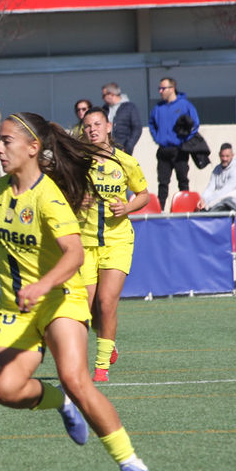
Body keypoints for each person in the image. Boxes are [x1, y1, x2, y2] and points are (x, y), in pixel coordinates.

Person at [0, 111, 149, 471]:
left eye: (6, 140)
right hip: (16, 307)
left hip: (61, 298)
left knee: (75, 376)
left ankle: (131, 462)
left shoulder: (50, 199)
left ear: (32, 148)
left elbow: (74, 254)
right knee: (3, 388)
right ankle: (60, 402)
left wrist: (42, 286)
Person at [79, 107, 152, 383]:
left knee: (106, 302)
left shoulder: (125, 162)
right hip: (85, 243)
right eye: (87, 126)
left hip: (117, 240)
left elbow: (143, 194)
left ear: (108, 127)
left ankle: (100, 368)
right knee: (86, 309)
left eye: (97, 124)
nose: (92, 130)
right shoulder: (77, 161)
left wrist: (128, 206)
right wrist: (76, 199)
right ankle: (109, 341)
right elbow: (60, 193)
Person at [149, 77, 199, 210]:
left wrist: (185, 139)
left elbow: (195, 124)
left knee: (182, 180)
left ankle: (186, 209)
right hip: (163, 149)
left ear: (172, 89)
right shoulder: (158, 108)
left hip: (179, 149)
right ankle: (159, 211)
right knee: (163, 183)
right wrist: (157, 138)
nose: (160, 91)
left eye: (163, 88)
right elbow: (151, 124)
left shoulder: (184, 105)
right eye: (159, 88)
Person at [197, 143, 236, 212]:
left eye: (227, 156)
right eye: (222, 156)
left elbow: (226, 191)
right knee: (204, 210)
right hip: (220, 201)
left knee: (221, 205)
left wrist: (208, 203)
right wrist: (203, 199)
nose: (224, 159)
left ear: (232, 155)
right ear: (219, 155)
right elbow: (210, 188)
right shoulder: (216, 170)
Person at [101, 82, 143, 155]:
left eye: (104, 95)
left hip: (123, 149)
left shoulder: (129, 107)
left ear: (112, 94)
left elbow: (137, 128)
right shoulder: (104, 109)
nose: (102, 98)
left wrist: (129, 146)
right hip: (107, 149)